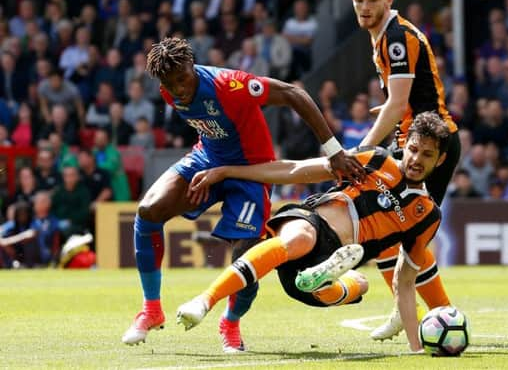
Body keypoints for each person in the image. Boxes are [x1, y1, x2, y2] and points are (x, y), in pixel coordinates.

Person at [121, 37, 365, 351]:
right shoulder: (168, 90)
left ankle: (230, 323)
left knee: (246, 255)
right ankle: (151, 310)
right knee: (148, 212)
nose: (178, 89)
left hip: (252, 171)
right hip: (208, 159)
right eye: (170, 83)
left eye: (182, 79)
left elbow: (294, 93)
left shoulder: (230, 85)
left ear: (192, 65)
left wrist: (333, 151)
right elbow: (210, 126)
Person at [176, 111, 450, 353]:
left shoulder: (427, 216)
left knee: (360, 284)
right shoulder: (374, 159)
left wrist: (416, 349)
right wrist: (226, 171)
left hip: (316, 268)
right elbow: (295, 169)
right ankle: (204, 302)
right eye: (413, 149)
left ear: (440, 160)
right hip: (310, 222)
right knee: (301, 238)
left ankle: (322, 279)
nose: (416, 159)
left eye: (427, 154)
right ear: (404, 145)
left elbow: (404, 282)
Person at [349, 0, 460, 339]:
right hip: (410, 139)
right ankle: (407, 307)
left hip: (431, 146)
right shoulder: (380, 34)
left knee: (406, 230)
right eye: (358, 0)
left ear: (389, 0)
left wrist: (363, 149)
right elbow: (404, 99)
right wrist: (394, 110)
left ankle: (439, 312)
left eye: (372, 0)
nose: (364, 7)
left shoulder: (396, 37)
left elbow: (399, 105)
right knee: (386, 225)